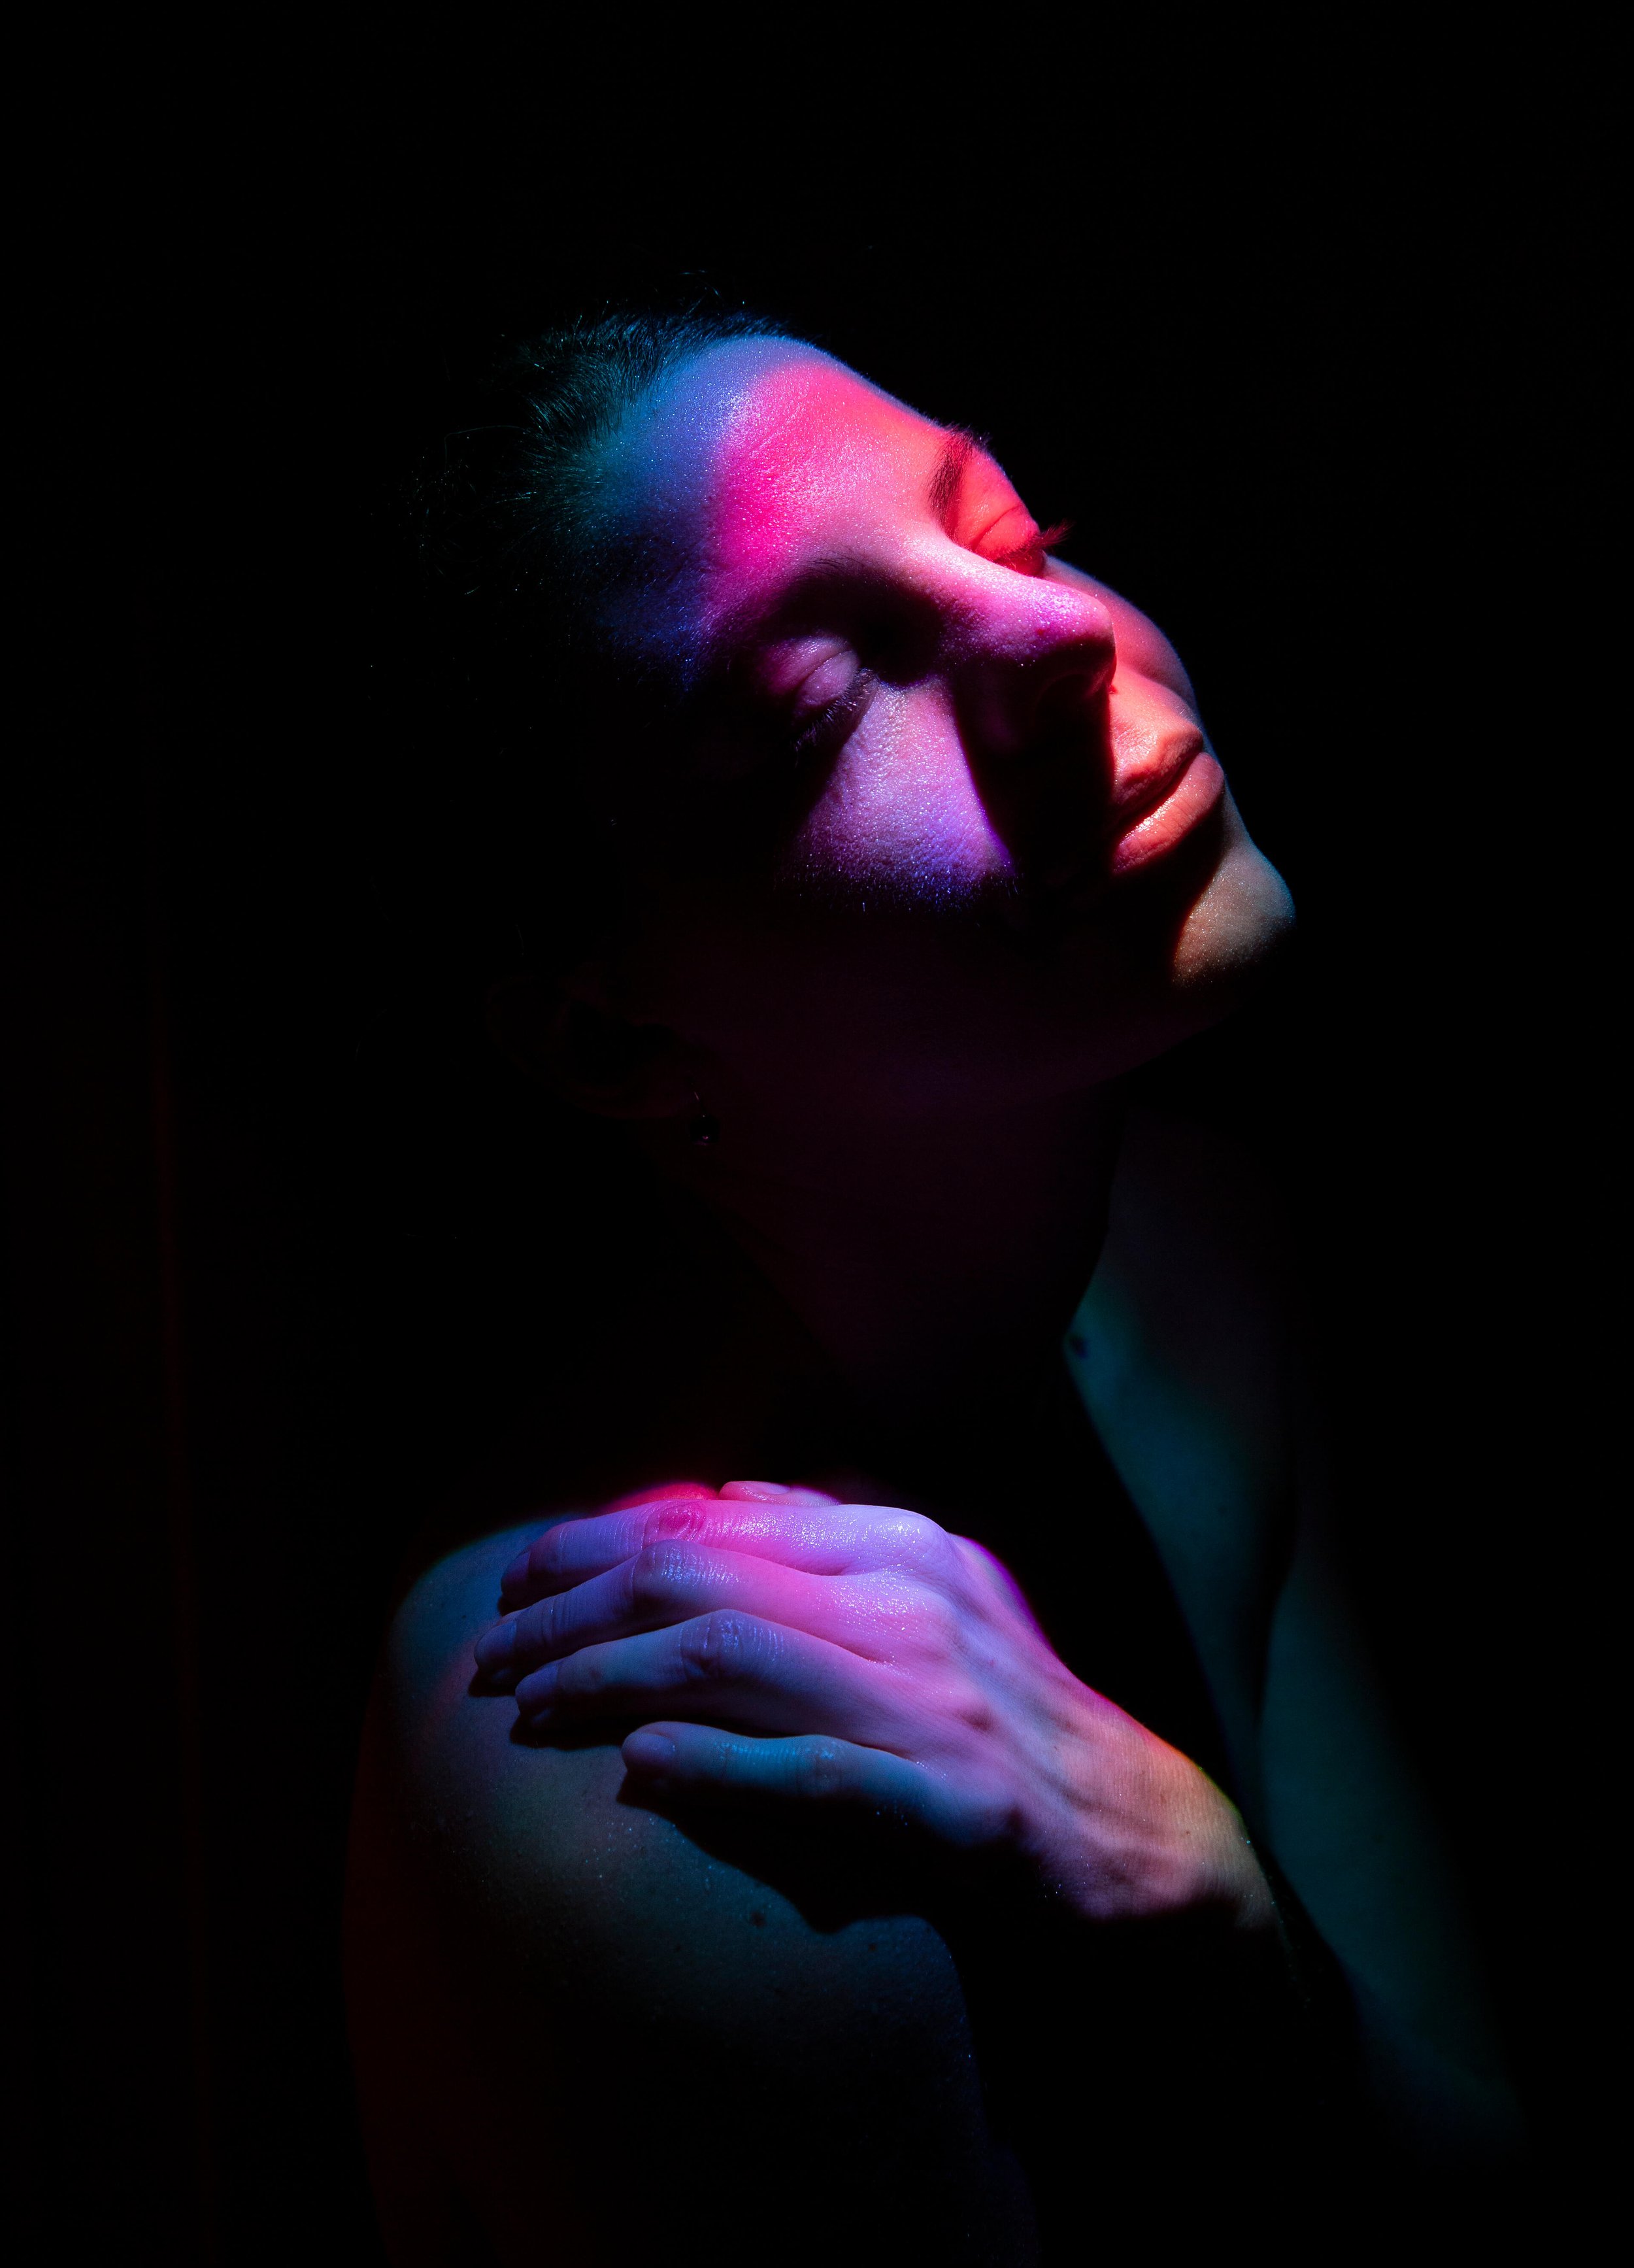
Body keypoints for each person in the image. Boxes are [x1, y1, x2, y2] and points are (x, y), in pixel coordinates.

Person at [344, 314, 1522, 2264]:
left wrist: (1223, 1936)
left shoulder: (1187, 1246)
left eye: (1012, 530)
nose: (1056, 637)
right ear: (619, 1040)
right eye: (819, 709)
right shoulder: (676, 1766)